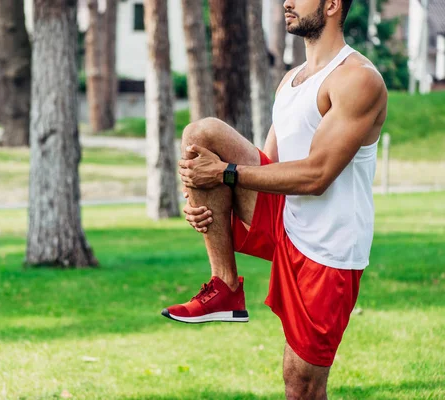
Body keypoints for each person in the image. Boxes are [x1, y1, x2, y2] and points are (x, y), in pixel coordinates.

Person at [160, 0, 388, 397]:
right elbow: (269, 167)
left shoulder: (358, 79)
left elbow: (317, 175)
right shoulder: (290, 81)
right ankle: (225, 285)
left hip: (328, 250)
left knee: (301, 382)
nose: (286, 2)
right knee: (202, 135)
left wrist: (226, 174)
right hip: (286, 219)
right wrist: (203, 198)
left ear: (332, 4)